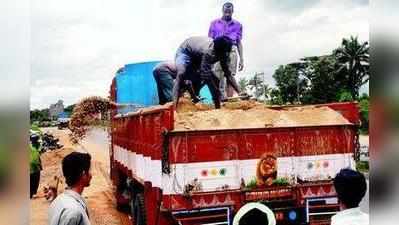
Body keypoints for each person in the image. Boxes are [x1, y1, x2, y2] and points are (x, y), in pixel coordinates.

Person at [173, 36, 241, 109]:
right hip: (185, 51)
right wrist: (216, 91)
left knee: (216, 80)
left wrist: (240, 92)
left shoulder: (224, 53)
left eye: (227, 52)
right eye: (225, 53)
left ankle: (217, 109)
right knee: (181, 73)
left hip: (197, 55)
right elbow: (206, 76)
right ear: (218, 51)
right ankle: (174, 108)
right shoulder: (208, 52)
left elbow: (228, 74)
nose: (226, 55)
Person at [208, 2, 244, 100]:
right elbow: (209, 41)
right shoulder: (214, 23)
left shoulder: (238, 25)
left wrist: (242, 59)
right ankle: (219, 100)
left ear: (232, 11)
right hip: (217, 50)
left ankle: (229, 101)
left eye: (229, 10)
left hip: (231, 50)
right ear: (222, 10)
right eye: (226, 10)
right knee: (217, 75)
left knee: (230, 76)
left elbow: (239, 42)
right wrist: (209, 58)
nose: (227, 12)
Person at [49, 152, 92, 225]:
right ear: (84, 174)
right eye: (90, 170)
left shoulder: (59, 199)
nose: (91, 175)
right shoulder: (73, 211)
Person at [30, 134, 42, 198]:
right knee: (35, 179)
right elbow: (40, 151)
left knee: (31, 179)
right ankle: (33, 192)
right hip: (35, 165)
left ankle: (30, 193)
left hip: (30, 166)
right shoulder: (38, 145)